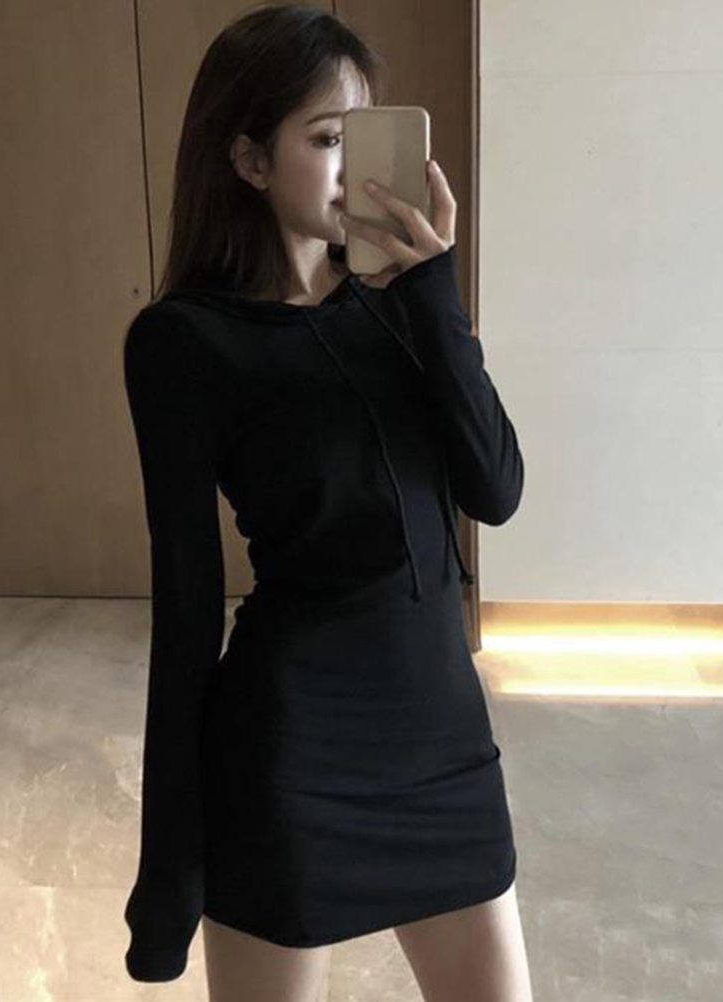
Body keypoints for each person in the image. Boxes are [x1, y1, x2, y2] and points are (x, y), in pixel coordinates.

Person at [121, 5, 533, 1000]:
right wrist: (167, 875)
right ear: (249, 160)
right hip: (296, 758)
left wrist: (435, 293)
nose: (353, 165)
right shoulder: (184, 343)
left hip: (443, 742)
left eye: (363, 132)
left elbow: (497, 488)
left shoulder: (403, 306)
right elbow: (185, 612)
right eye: (325, 139)